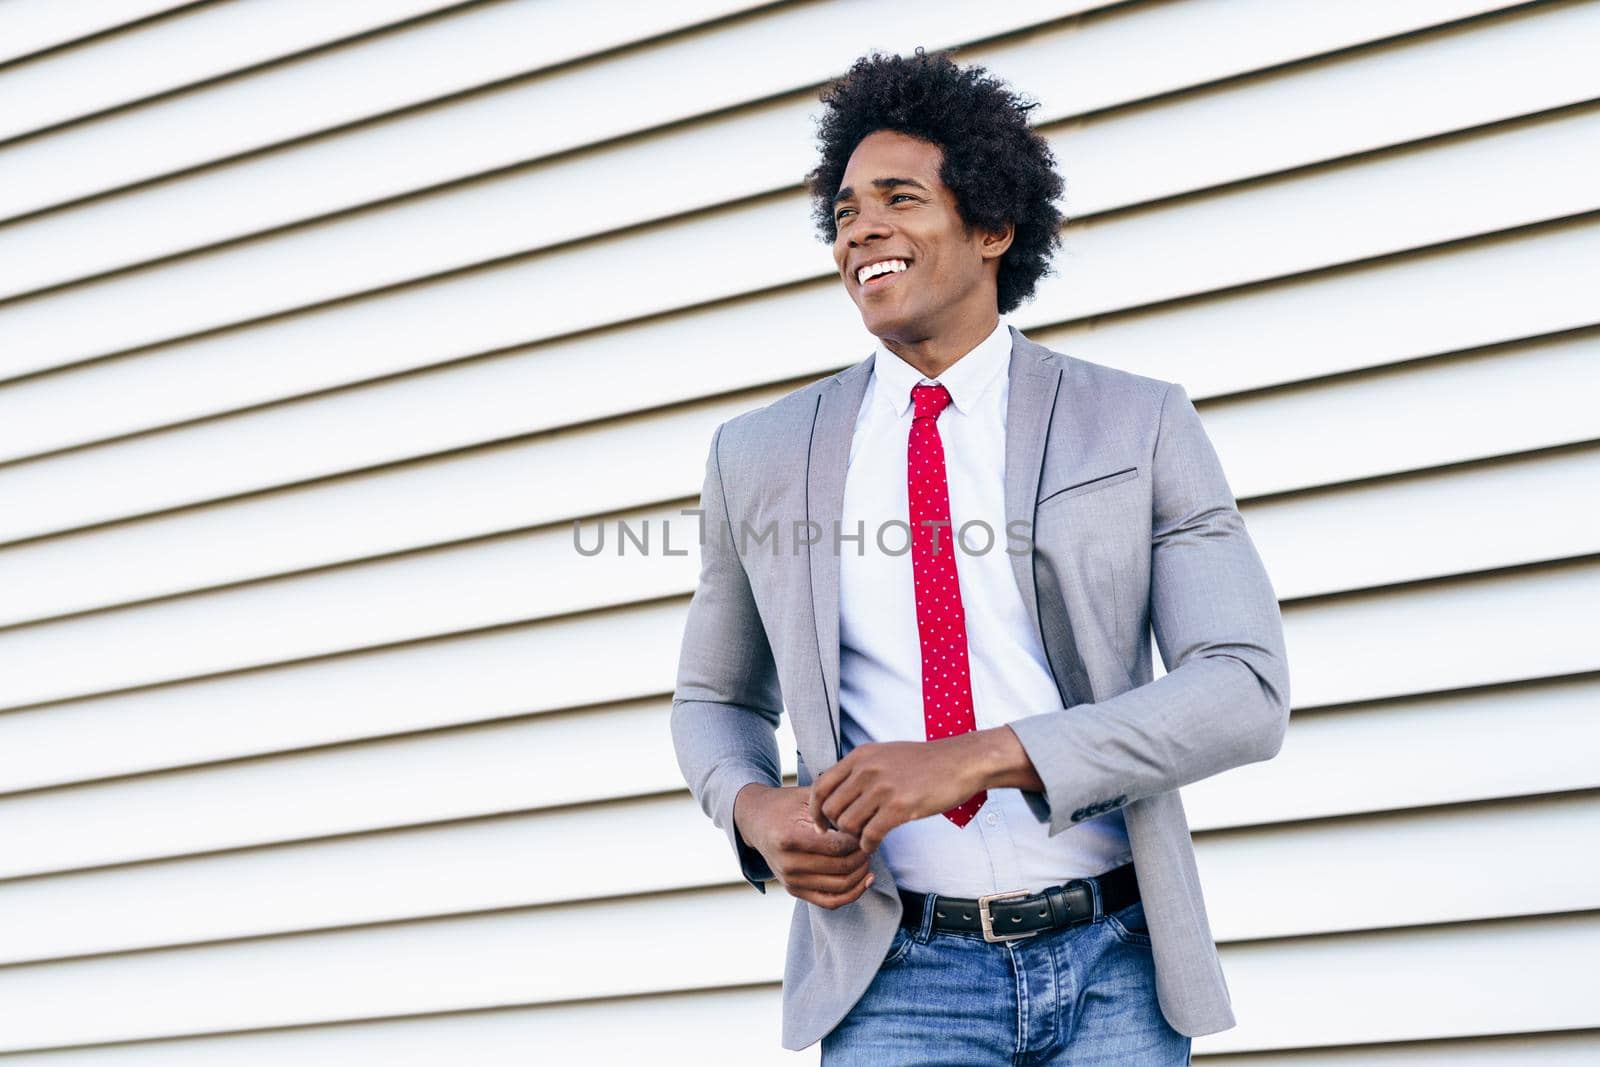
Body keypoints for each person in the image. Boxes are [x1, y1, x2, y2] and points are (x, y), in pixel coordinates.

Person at [670, 47, 1289, 1063]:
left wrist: (978, 755)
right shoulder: (762, 455)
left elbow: (1243, 688)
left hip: (1115, 966)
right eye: (843, 210)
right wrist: (752, 807)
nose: (859, 227)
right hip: (895, 977)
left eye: (898, 197)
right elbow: (713, 697)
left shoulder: (1136, 424)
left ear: (992, 225)